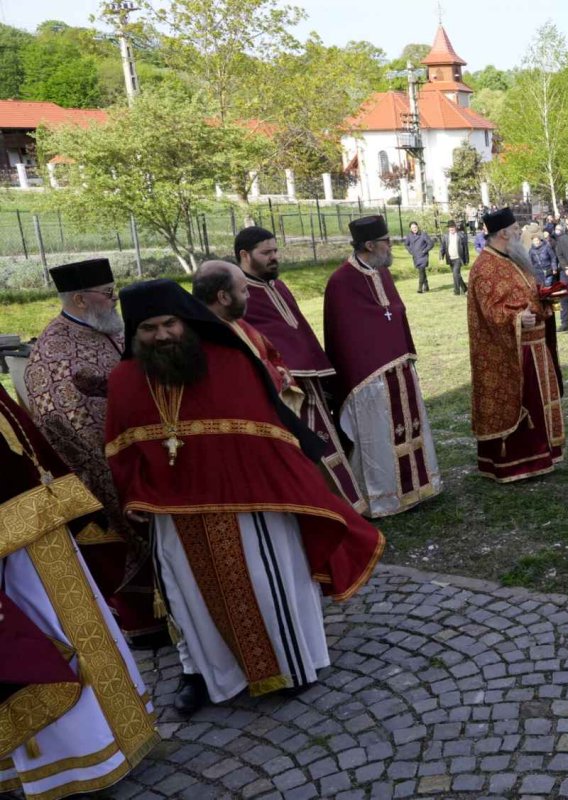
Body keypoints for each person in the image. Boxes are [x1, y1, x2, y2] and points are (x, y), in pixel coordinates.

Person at [105, 279, 385, 715]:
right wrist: (133, 497)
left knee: (266, 588)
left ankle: (293, 667)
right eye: (148, 329)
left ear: (186, 320)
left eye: (169, 323)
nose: (161, 336)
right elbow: (122, 452)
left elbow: (270, 438)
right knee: (188, 599)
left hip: (251, 506)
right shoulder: (124, 380)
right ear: (132, 334)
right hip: (174, 515)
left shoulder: (230, 361)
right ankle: (204, 674)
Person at [0, 385, 158, 800]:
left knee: (78, 626)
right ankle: (65, 760)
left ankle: (111, 738)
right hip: (10, 554)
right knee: (37, 638)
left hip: (43, 531)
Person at [23, 258, 162, 643]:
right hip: (101, 466)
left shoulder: (111, 329)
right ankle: (148, 622)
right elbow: (63, 419)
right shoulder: (53, 351)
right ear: (81, 300)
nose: (115, 300)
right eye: (108, 294)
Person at [235, 226, 365, 514]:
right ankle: (324, 509)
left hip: (311, 386)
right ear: (245, 255)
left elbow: (299, 332)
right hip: (283, 391)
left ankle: (349, 507)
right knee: (304, 450)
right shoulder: (241, 295)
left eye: (275, 251)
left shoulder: (277, 285)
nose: (274, 257)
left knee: (327, 442)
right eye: (266, 253)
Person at [323, 216, 443, 516]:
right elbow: (342, 337)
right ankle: (384, 497)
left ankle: (418, 487)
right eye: (386, 241)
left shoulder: (382, 272)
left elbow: (395, 314)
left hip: (399, 370)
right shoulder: (340, 282)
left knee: (411, 428)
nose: (392, 245)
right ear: (369, 245)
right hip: (368, 380)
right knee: (378, 436)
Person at [467, 208, 565, 481]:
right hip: (512, 351)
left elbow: (529, 294)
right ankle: (517, 463)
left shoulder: (515, 259)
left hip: (535, 346)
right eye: (516, 229)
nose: (520, 232)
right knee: (523, 402)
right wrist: (517, 317)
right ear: (503, 233)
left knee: (540, 401)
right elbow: (489, 312)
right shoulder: (484, 267)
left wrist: (544, 300)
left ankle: (543, 454)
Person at [193, 260, 304, 414]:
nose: (248, 295)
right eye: (244, 290)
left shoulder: (237, 324)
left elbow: (269, 355)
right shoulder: (206, 337)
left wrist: (280, 374)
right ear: (223, 297)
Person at [438, 220, 470, 296]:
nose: (451, 228)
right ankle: (465, 289)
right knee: (457, 275)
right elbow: (442, 248)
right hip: (450, 259)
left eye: (453, 227)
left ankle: (456, 291)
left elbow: (466, 249)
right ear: (448, 228)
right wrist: (441, 258)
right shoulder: (445, 236)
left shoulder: (461, 236)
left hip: (458, 258)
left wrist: (466, 259)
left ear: (455, 227)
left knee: (455, 274)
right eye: (450, 227)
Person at [404, 221, 434, 293]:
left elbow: (431, 244)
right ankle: (426, 286)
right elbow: (406, 244)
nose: (414, 229)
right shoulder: (409, 236)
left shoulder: (423, 234)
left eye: (415, 227)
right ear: (410, 229)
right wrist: (411, 251)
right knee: (422, 271)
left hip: (423, 256)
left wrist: (425, 251)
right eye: (412, 228)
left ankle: (420, 288)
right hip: (416, 257)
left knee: (421, 271)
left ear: (417, 227)